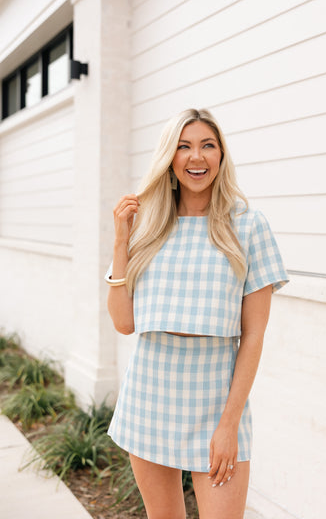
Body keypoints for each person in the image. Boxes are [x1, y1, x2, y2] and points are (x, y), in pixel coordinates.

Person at [104, 108, 289, 519]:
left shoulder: (248, 226)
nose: (196, 157)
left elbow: (253, 336)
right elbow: (124, 322)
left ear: (221, 156)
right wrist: (121, 241)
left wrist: (229, 425)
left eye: (208, 145)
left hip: (216, 406)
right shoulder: (150, 229)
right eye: (184, 147)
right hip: (148, 401)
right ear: (170, 159)